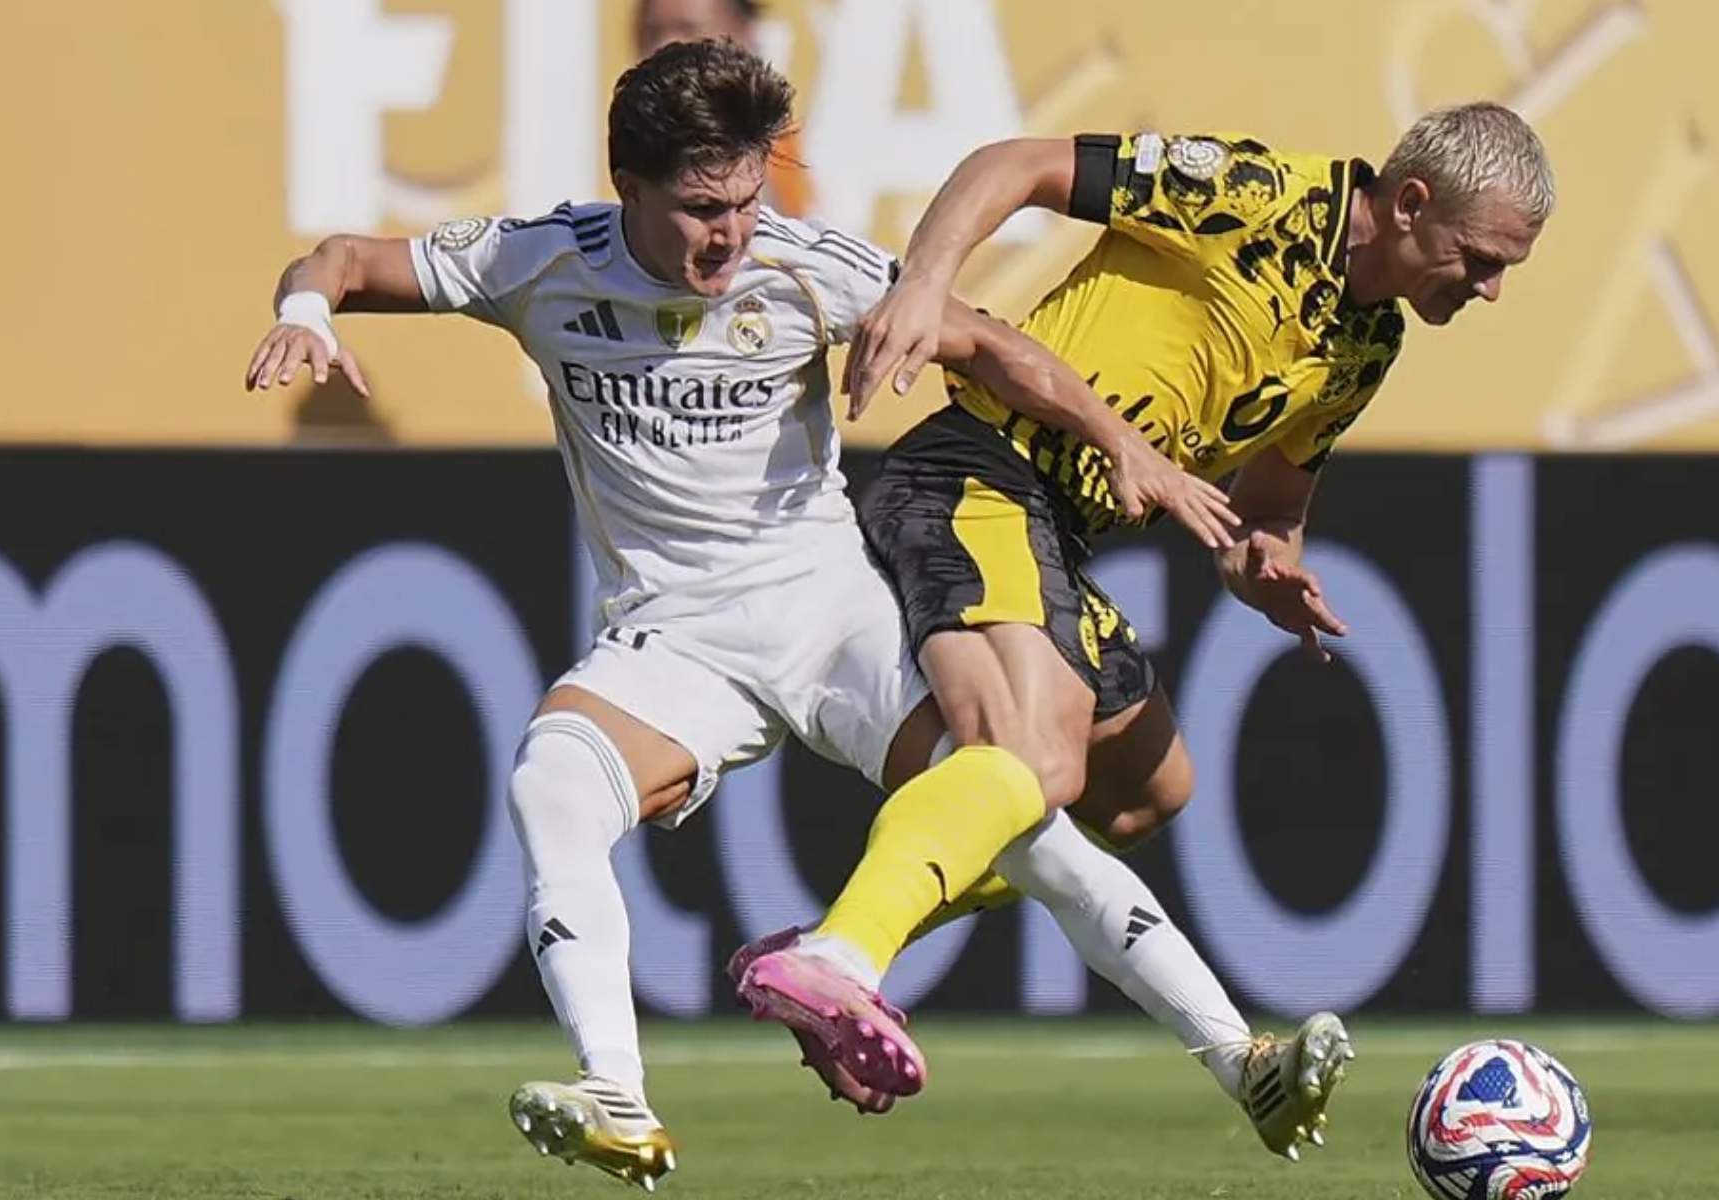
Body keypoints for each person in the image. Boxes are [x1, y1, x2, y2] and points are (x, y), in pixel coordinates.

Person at [242, 37, 1308, 1190]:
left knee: (1015, 806)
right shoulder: (536, 260)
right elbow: (345, 256)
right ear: (629, 189)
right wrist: (310, 307)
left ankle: (1240, 1056)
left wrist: (1121, 447)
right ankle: (617, 1099)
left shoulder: (803, 266)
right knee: (547, 787)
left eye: (746, 202)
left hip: (827, 607)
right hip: (671, 635)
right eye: (702, 208)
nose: (730, 235)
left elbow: (994, 346)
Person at [738, 104, 1554, 1150]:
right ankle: (843, 955)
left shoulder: (1365, 345)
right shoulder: (1257, 196)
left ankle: (840, 931)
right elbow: (1015, 163)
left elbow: (1269, 508)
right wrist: (924, 287)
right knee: (1029, 759)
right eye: (1480, 258)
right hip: (979, 470)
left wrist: (1266, 565)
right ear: (1407, 205)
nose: (1487, 287)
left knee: (1143, 795)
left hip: (1055, 534)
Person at [634, 0, 812, 216]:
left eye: (687, 28)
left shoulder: (783, 143)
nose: (663, 46)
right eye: (651, 32)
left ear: (743, 34)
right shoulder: (632, 139)